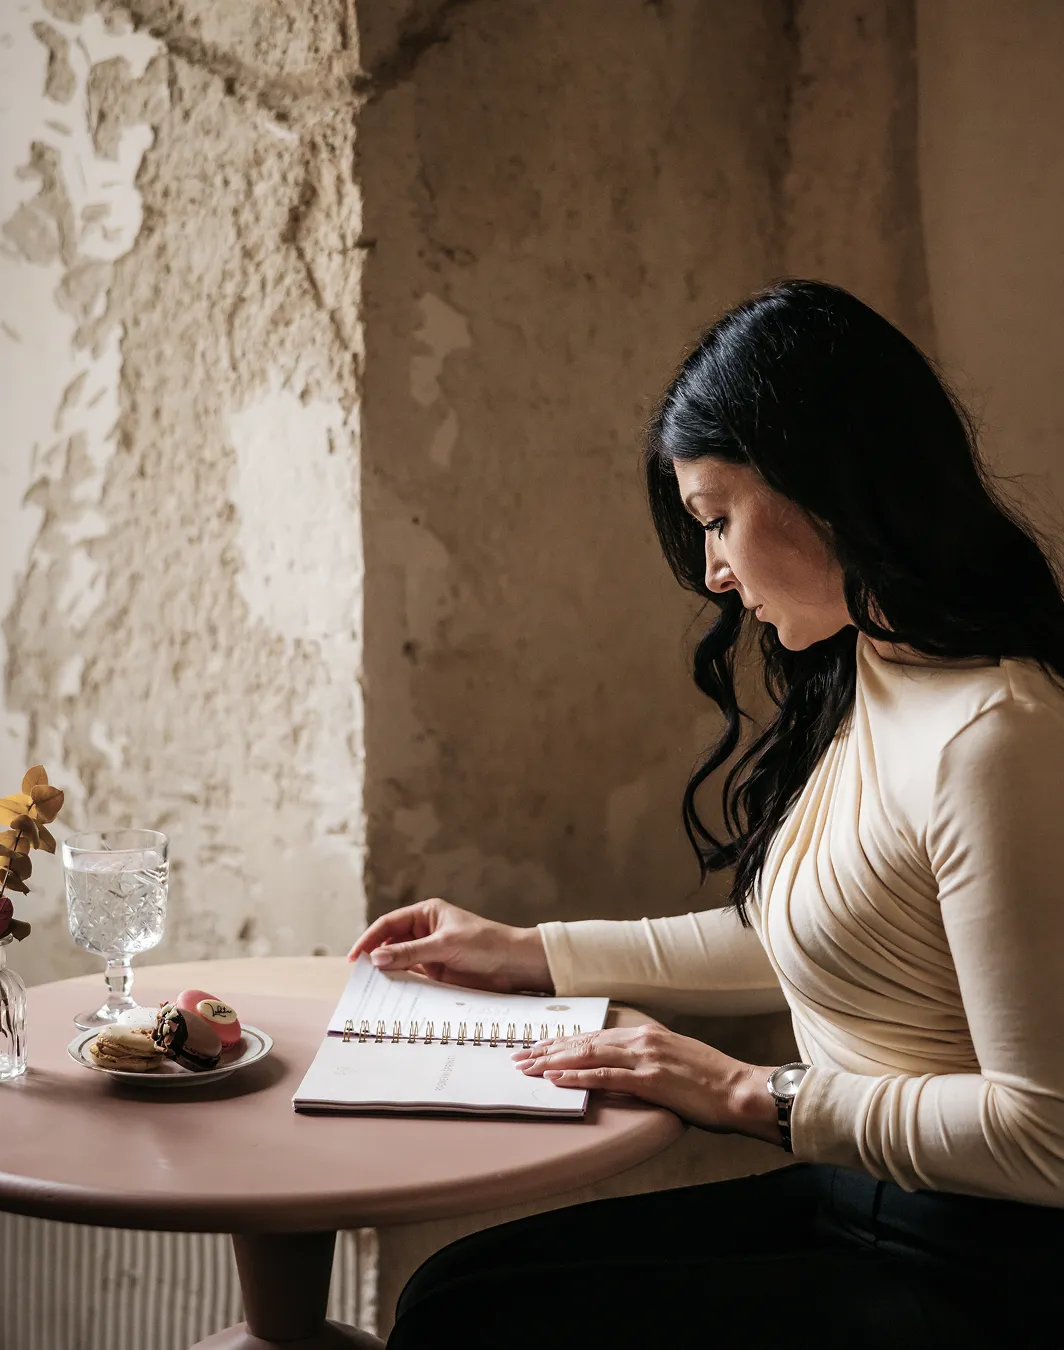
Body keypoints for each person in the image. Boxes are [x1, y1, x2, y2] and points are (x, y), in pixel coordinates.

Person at [349, 281, 1064, 1349]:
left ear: (829, 481)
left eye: (719, 518)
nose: (716, 573)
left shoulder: (994, 734)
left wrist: (746, 1093)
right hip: (850, 1201)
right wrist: (532, 954)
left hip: (979, 1267)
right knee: (449, 1293)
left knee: (478, 1325)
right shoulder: (872, 666)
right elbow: (820, 932)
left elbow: (1045, 1137)